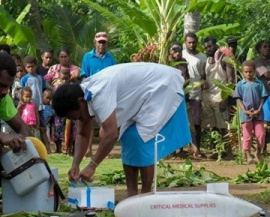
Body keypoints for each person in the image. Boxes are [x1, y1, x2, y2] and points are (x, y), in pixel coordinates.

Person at [52, 62, 191, 197]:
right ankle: (132, 194)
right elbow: (82, 133)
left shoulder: (98, 93)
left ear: (81, 102)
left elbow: (111, 134)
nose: (78, 120)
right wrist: (75, 164)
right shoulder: (82, 95)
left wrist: (92, 165)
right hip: (142, 96)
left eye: (75, 116)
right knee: (127, 136)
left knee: (141, 137)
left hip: (161, 87)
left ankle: (146, 194)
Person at [80, 31, 117, 157]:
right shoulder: (87, 57)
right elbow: (84, 75)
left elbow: (115, 76)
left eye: (104, 42)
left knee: (105, 123)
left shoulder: (110, 58)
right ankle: (88, 149)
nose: (101, 45)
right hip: (91, 93)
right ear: (95, 42)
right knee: (89, 122)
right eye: (99, 42)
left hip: (106, 94)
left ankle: (103, 150)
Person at [202, 36, 235, 159]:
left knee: (223, 126)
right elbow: (203, 76)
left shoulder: (224, 58)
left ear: (215, 44)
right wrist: (203, 82)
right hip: (208, 98)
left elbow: (230, 80)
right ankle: (218, 150)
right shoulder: (206, 59)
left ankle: (229, 151)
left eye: (210, 46)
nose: (208, 49)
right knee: (212, 126)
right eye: (206, 47)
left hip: (220, 96)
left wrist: (225, 98)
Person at [233, 60, 267, 164]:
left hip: (258, 114)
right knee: (247, 136)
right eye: (246, 72)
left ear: (254, 71)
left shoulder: (259, 84)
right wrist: (244, 111)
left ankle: (258, 152)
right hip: (245, 115)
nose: (248, 74)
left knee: (261, 134)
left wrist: (259, 109)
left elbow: (263, 97)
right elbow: (238, 99)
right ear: (243, 72)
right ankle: (248, 155)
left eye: (251, 71)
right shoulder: (240, 84)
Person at [0, 52, 31, 153]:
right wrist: (2, 136)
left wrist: (29, 149)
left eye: (8, 87)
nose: (6, 91)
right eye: (2, 85)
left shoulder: (3, 99)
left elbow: (21, 126)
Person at [182, 32, 207, 157]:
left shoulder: (202, 57)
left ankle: (198, 148)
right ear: (185, 43)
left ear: (197, 42)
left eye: (193, 42)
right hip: (183, 93)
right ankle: (180, 149)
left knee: (196, 123)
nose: (191, 45)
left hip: (196, 94)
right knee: (182, 122)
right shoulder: (181, 54)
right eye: (189, 42)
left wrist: (203, 84)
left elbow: (204, 75)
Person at [254, 40, 270, 154]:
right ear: (259, 49)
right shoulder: (257, 62)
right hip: (264, 95)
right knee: (265, 122)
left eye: (268, 46)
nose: (267, 48)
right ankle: (262, 148)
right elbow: (267, 75)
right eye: (265, 46)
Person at [42, 89, 53, 154]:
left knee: (47, 137)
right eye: (47, 98)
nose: (48, 100)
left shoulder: (48, 107)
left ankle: (48, 149)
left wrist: (45, 122)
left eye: (50, 99)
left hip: (46, 125)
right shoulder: (39, 105)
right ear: (43, 96)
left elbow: (50, 116)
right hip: (40, 124)